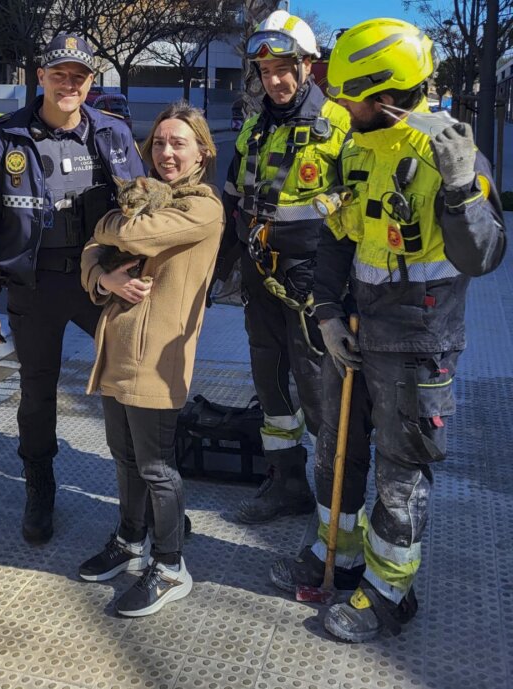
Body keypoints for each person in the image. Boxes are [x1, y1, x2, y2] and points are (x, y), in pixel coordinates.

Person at [270, 18, 506, 642]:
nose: (342, 106)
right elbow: (335, 238)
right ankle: (338, 559)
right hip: (355, 330)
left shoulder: (451, 151)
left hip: (419, 342)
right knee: (336, 451)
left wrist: (460, 190)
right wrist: (324, 312)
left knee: (402, 473)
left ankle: (387, 591)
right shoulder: (358, 145)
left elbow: (482, 256)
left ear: (388, 90)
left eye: (352, 96)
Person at [0, 34, 145, 545]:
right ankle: (39, 489)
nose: (69, 84)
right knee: (37, 394)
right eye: (60, 74)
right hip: (36, 286)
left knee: (128, 386)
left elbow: (142, 213)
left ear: (92, 82)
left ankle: (146, 495)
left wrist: (133, 273)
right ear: (41, 76)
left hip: (102, 283)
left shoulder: (112, 133)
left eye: (80, 76)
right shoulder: (3, 138)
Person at [78, 102, 224, 616]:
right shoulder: (143, 201)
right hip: (116, 350)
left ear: (202, 151)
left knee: (157, 468)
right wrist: (105, 278)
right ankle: (130, 539)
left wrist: (104, 227)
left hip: (157, 361)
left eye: (178, 143)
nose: (166, 152)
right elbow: (91, 253)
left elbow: (130, 235)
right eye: (159, 143)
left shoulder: (202, 208)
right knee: (125, 459)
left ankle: (170, 564)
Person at [217, 11, 351, 524]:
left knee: (319, 392)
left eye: (284, 68)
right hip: (259, 279)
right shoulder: (253, 129)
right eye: (265, 70)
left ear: (307, 66)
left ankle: (333, 503)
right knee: (270, 385)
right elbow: (234, 205)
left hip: (313, 284)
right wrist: (216, 274)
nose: (274, 80)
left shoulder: (339, 128)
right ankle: (286, 483)